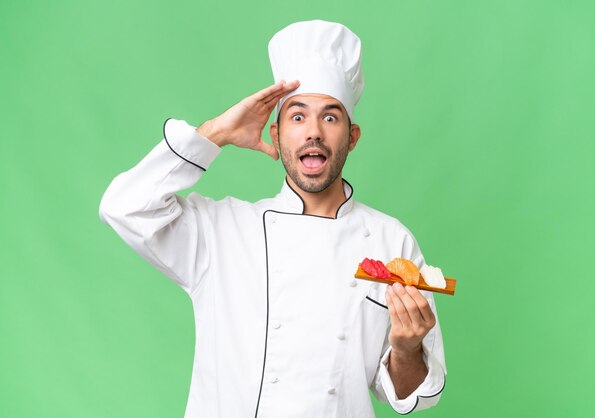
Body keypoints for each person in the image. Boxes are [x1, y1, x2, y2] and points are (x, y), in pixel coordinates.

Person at [99, 20, 447, 418]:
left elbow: (415, 394)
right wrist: (215, 133)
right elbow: (123, 206)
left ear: (352, 137)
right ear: (276, 131)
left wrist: (406, 349)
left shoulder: (392, 243)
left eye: (330, 118)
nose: (313, 132)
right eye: (297, 117)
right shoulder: (221, 231)